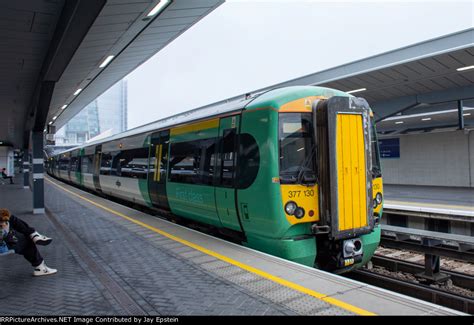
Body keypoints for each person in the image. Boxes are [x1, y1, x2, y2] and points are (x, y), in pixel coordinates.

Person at [0, 208, 57, 276]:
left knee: (10, 218)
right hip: (3, 245)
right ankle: (40, 267)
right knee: (27, 241)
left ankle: (33, 234)